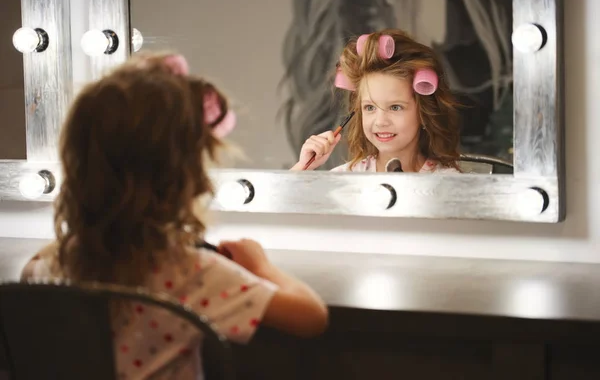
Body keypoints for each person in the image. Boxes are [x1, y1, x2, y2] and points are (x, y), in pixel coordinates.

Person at [20, 53, 328, 379]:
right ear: (185, 178)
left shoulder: (47, 267)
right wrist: (261, 267)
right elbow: (311, 317)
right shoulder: (190, 272)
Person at [290, 29, 461, 173]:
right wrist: (303, 169)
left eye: (395, 107)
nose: (380, 122)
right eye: (370, 107)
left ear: (423, 112)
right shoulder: (346, 179)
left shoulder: (447, 183)